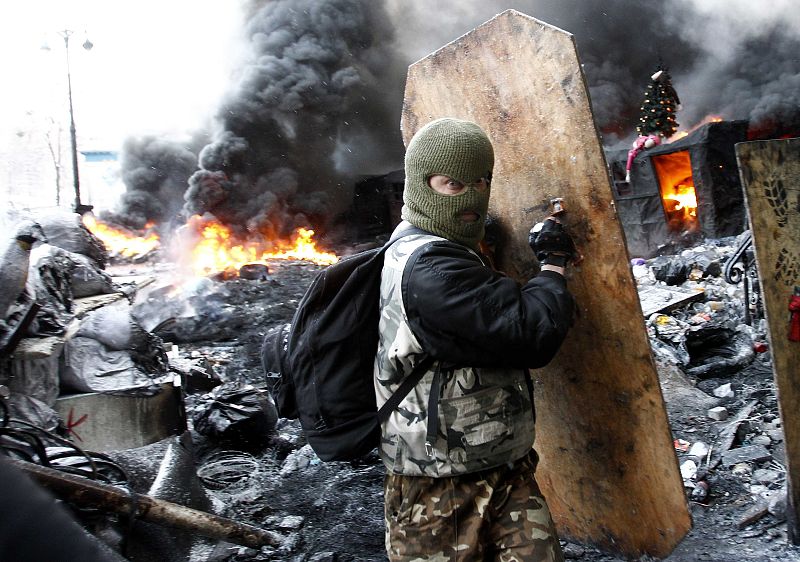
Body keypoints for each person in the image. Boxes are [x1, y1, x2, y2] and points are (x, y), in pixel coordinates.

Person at [374, 117, 578, 561]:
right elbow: (532, 331)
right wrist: (553, 264)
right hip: (438, 484)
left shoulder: (440, 245)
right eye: (452, 185)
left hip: (503, 466)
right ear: (422, 185)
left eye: (480, 183)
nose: (469, 199)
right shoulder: (429, 269)